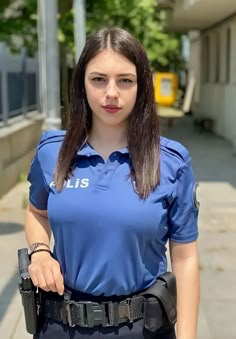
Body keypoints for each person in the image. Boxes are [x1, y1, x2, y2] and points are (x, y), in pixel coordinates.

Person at [24, 27, 200, 339]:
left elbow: (185, 258)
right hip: (60, 326)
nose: (111, 93)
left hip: (142, 328)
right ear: (82, 83)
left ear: (141, 86)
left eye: (125, 80)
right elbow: (37, 211)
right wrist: (39, 251)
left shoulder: (171, 160)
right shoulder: (52, 151)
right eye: (98, 79)